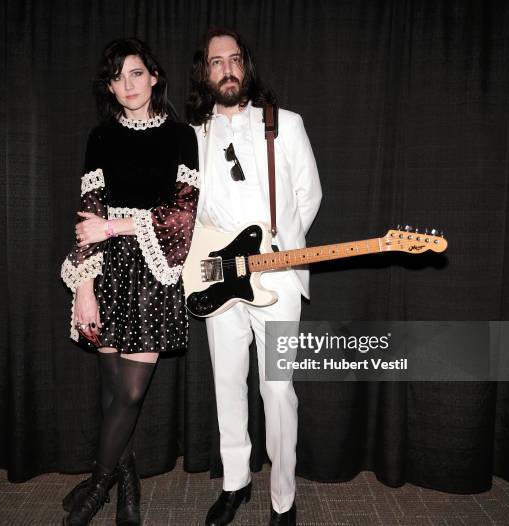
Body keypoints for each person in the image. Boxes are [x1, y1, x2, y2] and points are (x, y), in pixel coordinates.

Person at [60, 37, 199, 526]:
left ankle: (99, 485)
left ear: (155, 76)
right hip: (106, 271)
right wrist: (82, 287)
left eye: (136, 73)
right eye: (117, 78)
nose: (128, 85)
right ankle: (127, 485)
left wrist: (116, 226)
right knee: (111, 389)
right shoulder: (100, 137)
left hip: (155, 271)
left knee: (131, 393)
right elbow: (88, 215)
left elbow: (183, 215)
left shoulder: (183, 136)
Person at [186, 28, 322, 526]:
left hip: (278, 278)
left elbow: (310, 196)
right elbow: (190, 210)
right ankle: (235, 482)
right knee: (226, 381)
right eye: (216, 61)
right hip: (219, 275)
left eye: (235, 59)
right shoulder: (194, 134)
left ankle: (283, 499)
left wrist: (276, 249)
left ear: (246, 66)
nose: (227, 68)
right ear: (205, 71)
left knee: (279, 390)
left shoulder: (284, 124)